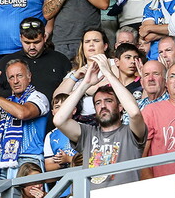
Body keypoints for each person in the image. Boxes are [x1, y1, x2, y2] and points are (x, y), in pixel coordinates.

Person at [54, 54, 147, 187]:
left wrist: (108, 73)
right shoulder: (88, 133)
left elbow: (134, 113)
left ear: (120, 106)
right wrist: (85, 84)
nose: (103, 105)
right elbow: (59, 120)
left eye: (108, 101)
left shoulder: (130, 132)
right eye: (97, 103)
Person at [0, 60, 51, 180]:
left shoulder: (39, 97)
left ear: (29, 76)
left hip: (28, 161)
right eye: (11, 77)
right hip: (1, 160)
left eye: (19, 76)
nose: (16, 81)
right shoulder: (7, 101)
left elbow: (23, 113)